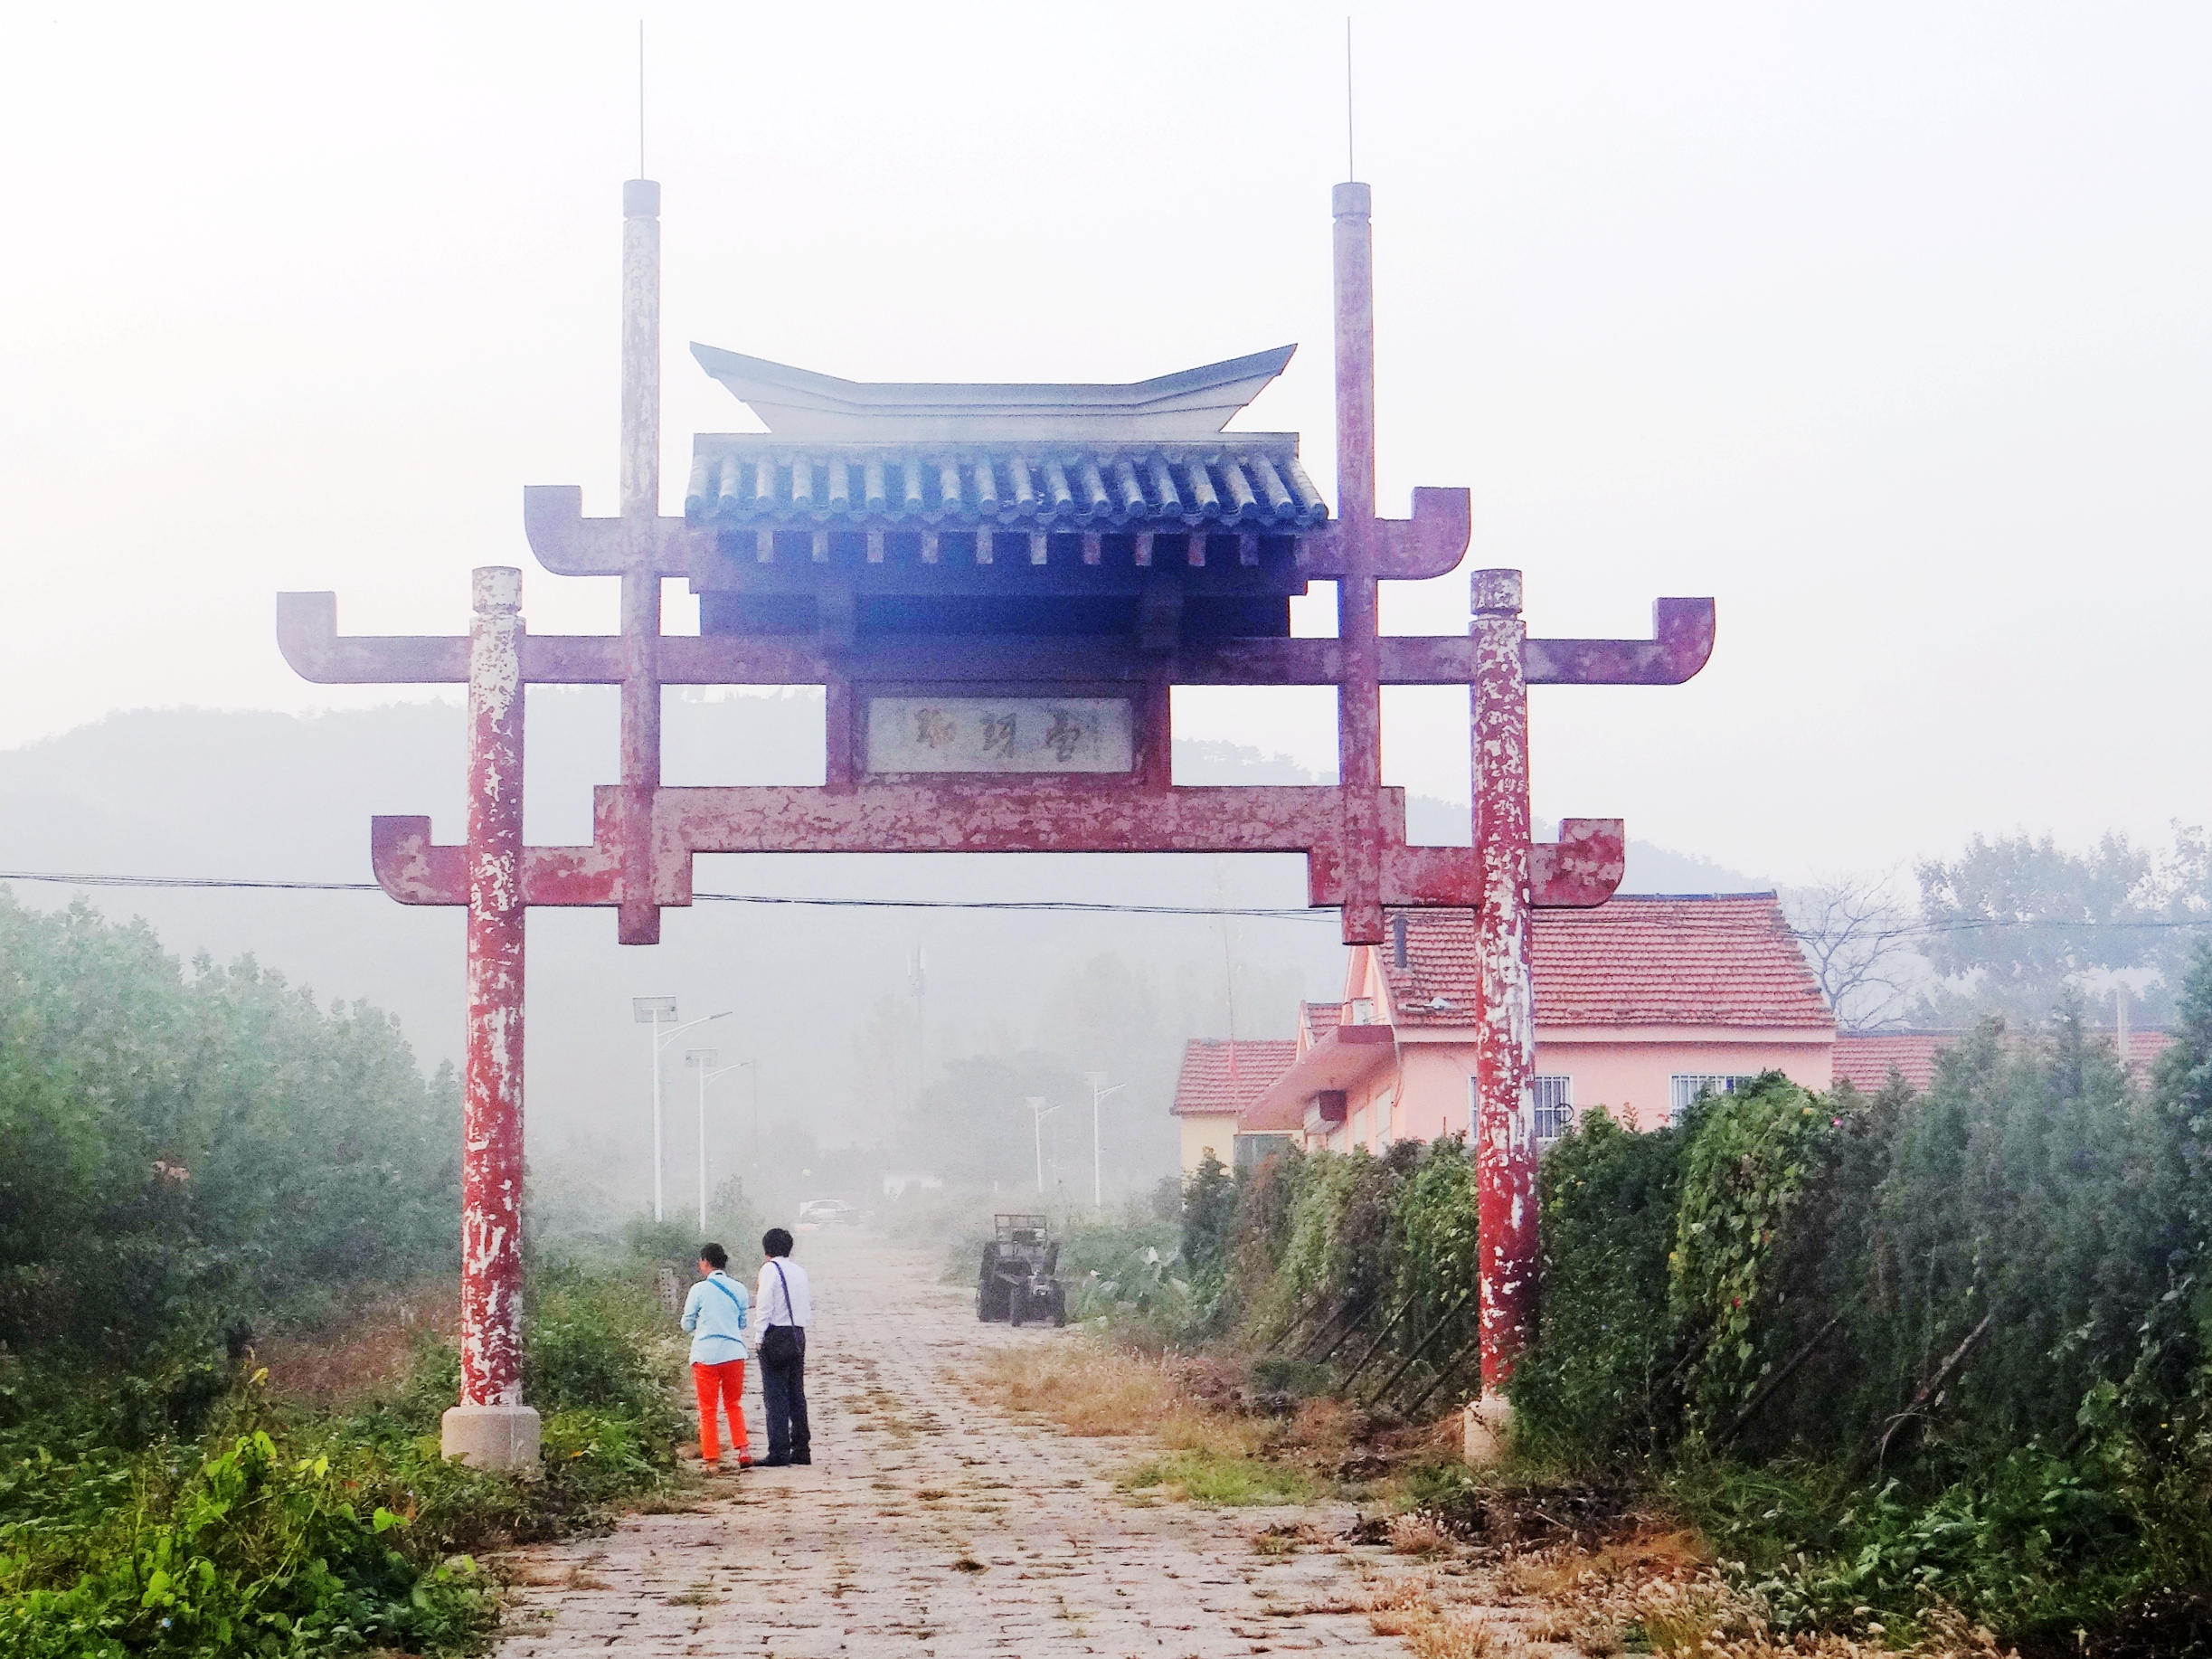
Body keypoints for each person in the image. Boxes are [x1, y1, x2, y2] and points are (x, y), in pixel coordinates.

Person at [680, 1241, 750, 1470]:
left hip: (705, 1356)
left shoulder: (698, 1290)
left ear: (706, 1263)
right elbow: (742, 1322)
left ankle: (712, 1460)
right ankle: (743, 1450)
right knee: (733, 1403)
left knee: (707, 1409)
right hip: (734, 1353)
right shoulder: (739, 1288)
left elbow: (687, 1324)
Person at [752, 1228, 811, 1466]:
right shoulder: (799, 1271)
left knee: (775, 1395)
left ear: (766, 1249)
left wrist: (759, 1335)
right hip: (798, 1333)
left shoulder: (769, 1270)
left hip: (776, 1334)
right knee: (796, 1393)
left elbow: (764, 1302)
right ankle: (801, 1449)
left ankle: (778, 1451)